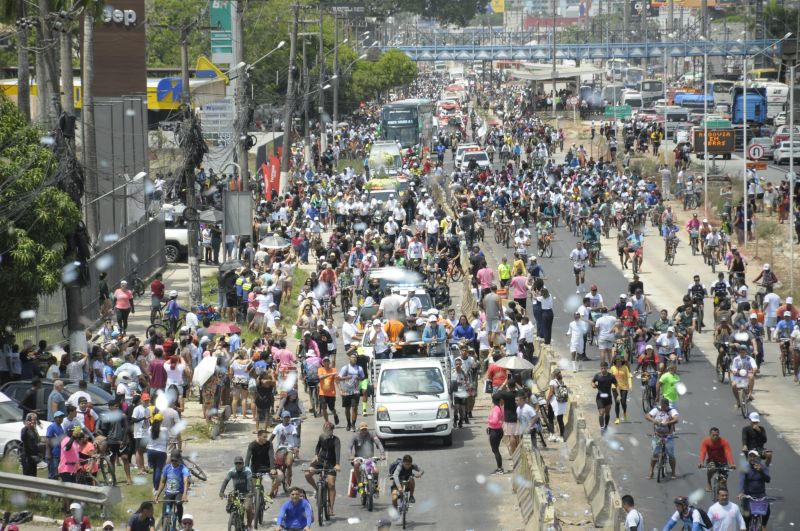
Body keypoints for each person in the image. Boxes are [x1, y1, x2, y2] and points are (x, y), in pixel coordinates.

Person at [305, 421, 340, 517]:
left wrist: (337, 464)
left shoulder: (336, 440)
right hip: (320, 460)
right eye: (325, 430)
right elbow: (318, 447)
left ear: (332, 430)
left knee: (331, 484)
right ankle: (317, 489)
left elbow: (337, 452)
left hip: (331, 463)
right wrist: (316, 455)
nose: (326, 431)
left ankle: (331, 508)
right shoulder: (321, 437)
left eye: (328, 430)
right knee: (307, 474)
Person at [646, 398, 679, 480]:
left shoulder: (672, 411)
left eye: (664, 406)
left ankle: (673, 472)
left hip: (668, 436)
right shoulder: (656, 409)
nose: (662, 408)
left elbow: (676, 419)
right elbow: (647, 416)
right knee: (654, 454)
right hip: (657, 435)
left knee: (671, 454)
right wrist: (654, 420)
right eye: (662, 406)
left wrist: (668, 423)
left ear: (667, 405)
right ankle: (651, 472)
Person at [218, 456, 254, 531]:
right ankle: (234, 517)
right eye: (236, 463)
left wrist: (250, 492)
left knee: (247, 507)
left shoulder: (247, 470)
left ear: (243, 463)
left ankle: (249, 525)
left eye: (240, 463)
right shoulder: (232, 471)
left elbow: (250, 482)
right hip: (236, 492)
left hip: (246, 492)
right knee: (230, 506)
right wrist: (221, 492)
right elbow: (225, 481)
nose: (238, 465)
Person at [154, 450, 190, 524]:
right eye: (172, 460)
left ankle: (180, 521)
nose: (173, 462)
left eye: (175, 460)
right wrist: (157, 495)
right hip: (168, 493)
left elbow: (185, 482)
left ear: (179, 460)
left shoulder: (183, 468)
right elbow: (162, 482)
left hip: (178, 493)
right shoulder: (167, 468)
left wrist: (184, 495)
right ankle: (165, 522)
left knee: (178, 503)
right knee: (166, 508)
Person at [739, 450, 771, 529]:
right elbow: (742, 481)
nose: (752, 458)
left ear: (758, 458)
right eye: (750, 456)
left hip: (761, 494)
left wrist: (761, 471)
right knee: (746, 515)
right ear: (748, 458)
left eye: (754, 456)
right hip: (748, 495)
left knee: (767, 510)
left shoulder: (763, 467)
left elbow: (768, 480)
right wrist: (741, 492)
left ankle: (763, 526)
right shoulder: (745, 468)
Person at [349, 421, 385, 491]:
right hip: (359, 458)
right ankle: (359, 483)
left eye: (365, 429)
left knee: (376, 471)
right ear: (359, 429)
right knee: (356, 464)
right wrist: (350, 456)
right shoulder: (355, 436)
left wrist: (382, 454)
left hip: (369, 458)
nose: (364, 431)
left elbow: (379, 444)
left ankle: (376, 485)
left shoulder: (372, 434)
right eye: (362, 429)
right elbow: (349, 447)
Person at [698, 427, 736, 492]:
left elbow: (728, 452)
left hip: (722, 461)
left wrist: (732, 463)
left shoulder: (724, 442)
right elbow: (703, 452)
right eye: (713, 435)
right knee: (712, 468)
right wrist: (701, 462)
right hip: (712, 460)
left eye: (717, 435)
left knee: (723, 482)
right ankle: (709, 481)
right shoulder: (706, 442)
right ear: (710, 435)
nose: (715, 437)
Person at [337, 353, 364, 432]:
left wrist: (359, 378)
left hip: (355, 391)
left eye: (355, 358)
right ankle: (348, 423)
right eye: (352, 357)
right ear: (349, 359)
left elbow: (362, 378)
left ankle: (353, 424)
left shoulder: (359, 368)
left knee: (354, 408)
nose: (354, 359)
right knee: (347, 408)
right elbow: (338, 379)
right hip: (346, 391)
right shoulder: (345, 368)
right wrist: (346, 377)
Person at [591, 362, 617, 433]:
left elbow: (616, 384)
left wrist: (617, 394)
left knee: (607, 413)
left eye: (605, 368)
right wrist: (593, 385)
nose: (603, 370)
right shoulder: (597, 375)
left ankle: (606, 426)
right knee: (601, 412)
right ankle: (602, 428)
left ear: (607, 368)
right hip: (600, 398)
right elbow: (592, 381)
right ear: (600, 368)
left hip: (608, 398)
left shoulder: (611, 376)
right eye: (602, 368)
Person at [486, 394, 505, 474]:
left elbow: (495, 420)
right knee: (495, 449)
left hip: (495, 431)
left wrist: (488, 420)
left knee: (495, 450)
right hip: (498, 430)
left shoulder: (496, 409)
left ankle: (500, 468)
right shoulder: (500, 407)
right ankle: (499, 467)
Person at [45, 411, 66, 479]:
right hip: (53, 454)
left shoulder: (60, 427)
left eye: (62, 417)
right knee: (52, 473)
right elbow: (48, 440)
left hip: (59, 453)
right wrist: (48, 453)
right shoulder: (51, 427)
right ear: (55, 418)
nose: (61, 419)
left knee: (57, 473)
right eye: (59, 417)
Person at [610, 357, 631, 424]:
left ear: (622, 362)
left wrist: (630, 385)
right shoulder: (612, 368)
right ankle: (617, 418)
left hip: (624, 387)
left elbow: (628, 377)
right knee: (617, 402)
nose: (618, 363)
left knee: (623, 402)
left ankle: (624, 412)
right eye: (617, 361)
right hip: (615, 388)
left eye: (620, 361)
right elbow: (610, 377)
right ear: (615, 362)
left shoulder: (625, 368)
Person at [20, 412, 41, 476]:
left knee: (34, 475)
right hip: (27, 457)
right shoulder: (24, 429)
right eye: (32, 420)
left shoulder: (34, 430)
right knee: (27, 475)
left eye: (35, 420)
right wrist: (27, 427)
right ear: (28, 420)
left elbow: (36, 442)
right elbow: (22, 437)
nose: (34, 421)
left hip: (34, 457)